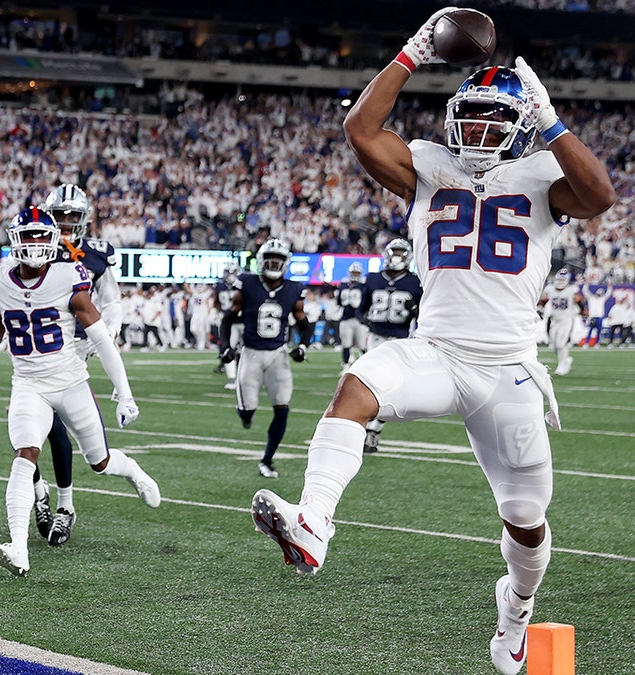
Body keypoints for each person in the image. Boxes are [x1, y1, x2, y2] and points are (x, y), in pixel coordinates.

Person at [250, 11, 615, 675]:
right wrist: (415, 52)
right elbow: (360, 128)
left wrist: (554, 118)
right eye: (468, 115)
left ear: (520, 124)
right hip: (438, 353)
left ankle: (516, 612)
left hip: (509, 371)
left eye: (493, 119)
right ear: (453, 115)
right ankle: (314, 522)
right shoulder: (427, 163)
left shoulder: (540, 172)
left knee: (526, 519)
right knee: (355, 387)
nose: (476, 129)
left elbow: (599, 196)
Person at [0, 206, 159, 577]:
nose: (34, 243)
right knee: (25, 454)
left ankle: (133, 472)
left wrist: (124, 393)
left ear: (53, 241)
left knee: (101, 463)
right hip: (28, 385)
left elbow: (102, 339)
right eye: (27, 235)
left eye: (40, 235)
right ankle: (18, 545)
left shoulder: (69, 276)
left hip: (71, 382)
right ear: (14, 241)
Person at [28, 183, 124, 546]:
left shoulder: (95, 253)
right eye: (61, 216)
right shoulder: (35, 245)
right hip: (37, 346)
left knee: (56, 427)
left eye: (73, 216)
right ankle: (41, 493)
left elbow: (112, 300)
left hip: (75, 348)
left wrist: (108, 331)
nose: (67, 223)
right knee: (26, 429)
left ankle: (64, 506)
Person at [219, 238, 311, 479]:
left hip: (278, 355)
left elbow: (303, 323)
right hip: (250, 354)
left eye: (278, 260)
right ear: (261, 261)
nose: (273, 263)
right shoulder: (248, 283)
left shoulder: (293, 289)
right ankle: (246, 416)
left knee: (282, 409)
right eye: (269, 259)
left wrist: (302, 346)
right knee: (247, 411)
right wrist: (225, 347)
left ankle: (267, 460)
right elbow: (228, 319)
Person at [357, 238, 422, 453]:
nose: (396, 257)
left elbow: (424, 315)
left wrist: (415, 310)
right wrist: (365, 320)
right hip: (375, 337)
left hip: (400, 340)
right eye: (393, 252)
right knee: (370, 385)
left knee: (391, 388)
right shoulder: (373, 279)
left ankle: (373, 431)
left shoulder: (414, 282)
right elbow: (361, 308)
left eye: (401, 253)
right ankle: (365, 429)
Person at [539, 268, 583, 375]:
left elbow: (580, 300)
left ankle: (562, 364)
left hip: (566, 320)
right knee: (554, 345)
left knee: (560, 344)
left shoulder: (571, 290)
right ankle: (566, 359)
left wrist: (584, 312)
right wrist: (540, 309)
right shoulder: (550, 289)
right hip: (555, 320)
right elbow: (543, 301)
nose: (560, 282)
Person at [337, 262, 366, 370]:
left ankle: (365, 366)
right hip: (346, 318)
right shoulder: (343, 285)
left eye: (357, 272)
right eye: (353, 272)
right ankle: (346, 366)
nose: (355, 274)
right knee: (346, 343)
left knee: (362, 344)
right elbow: (339, 301)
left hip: (359, 319)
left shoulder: (363, 286)